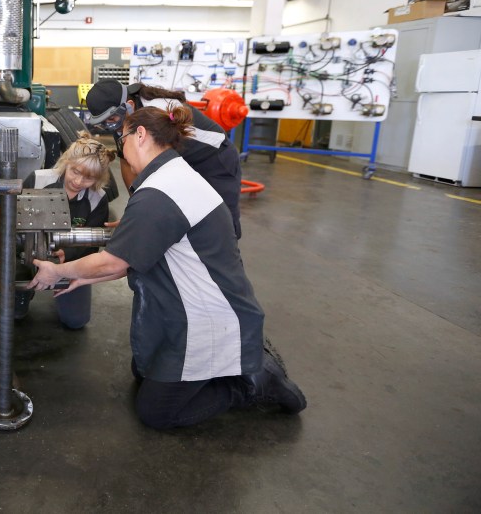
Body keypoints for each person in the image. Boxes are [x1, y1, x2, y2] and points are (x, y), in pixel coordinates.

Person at [27, 105, 306, 430]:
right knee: (142, 371)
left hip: (209, 316)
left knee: (156, 412)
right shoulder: (173, 176)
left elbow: (115, 262)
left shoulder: (160, 192)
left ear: (140, 135)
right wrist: (131, 233)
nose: (121, 145)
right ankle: (224, 369)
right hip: (188, 305)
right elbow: (135, 253)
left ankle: (250, 382)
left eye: (123, 137)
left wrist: (59, 272)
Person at [84, 78, 243, 238]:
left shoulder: (157, 111)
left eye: (111, 120)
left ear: (130, 105)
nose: (110, 126)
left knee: (222, 227)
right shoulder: (119, 118)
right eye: (103, 123)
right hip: (183, 157)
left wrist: (140, 214)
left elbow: (160, 171)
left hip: (215, 160)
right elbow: (126, 160)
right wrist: (134, 209)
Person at [15, 132, 113, 329]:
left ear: (98, 178)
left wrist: (66, 254)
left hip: (71, 262)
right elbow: (14, 223)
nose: (78, 182)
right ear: (67, 162)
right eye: (75, 172)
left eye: (88, 178)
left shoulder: (98, 198)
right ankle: (23, 292)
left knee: (76, 321)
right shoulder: (37, 181)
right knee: (14, 313)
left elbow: (92, 245)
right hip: (27, 255)